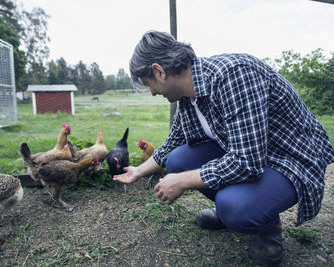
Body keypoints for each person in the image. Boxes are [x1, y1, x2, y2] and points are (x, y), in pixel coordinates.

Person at [113, 30, 334, 265]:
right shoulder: (189, 96)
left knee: (233, 205)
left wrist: (181, 181)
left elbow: (247, 162)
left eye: (150, 84)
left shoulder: (234, 76)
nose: (153, 92)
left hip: (290, 157)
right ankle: (237, 206)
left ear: (159, 71)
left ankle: (263, 225)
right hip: (252, 154)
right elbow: (173, 142)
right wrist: (138, 170)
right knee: (177, 161)